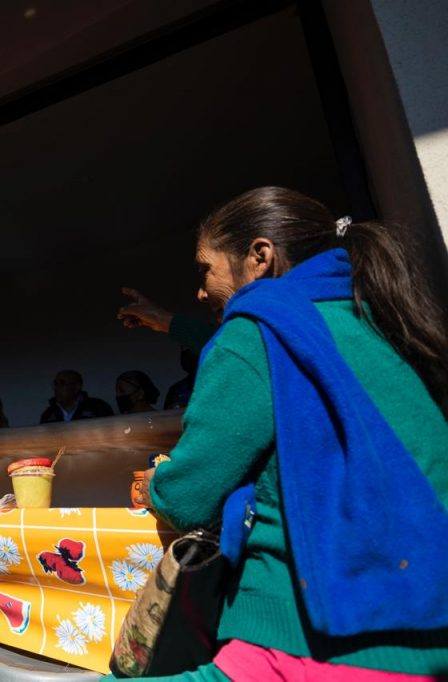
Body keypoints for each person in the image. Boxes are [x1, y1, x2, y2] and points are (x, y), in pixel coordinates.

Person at [130, 187, 448, 680]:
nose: (200, 291)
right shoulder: (377, 314)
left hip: (313, 639)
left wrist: (157, 484)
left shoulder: (253, 330)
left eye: (205, 270)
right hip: (423, 615)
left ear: (259, 257)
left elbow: (189, 497)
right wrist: (168, 323)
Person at [39, 369, 113, 424]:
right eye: (55, 384)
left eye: (62, 383)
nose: (57, 388)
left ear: (77, 387)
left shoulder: (98, 407)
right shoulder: (49, 413)